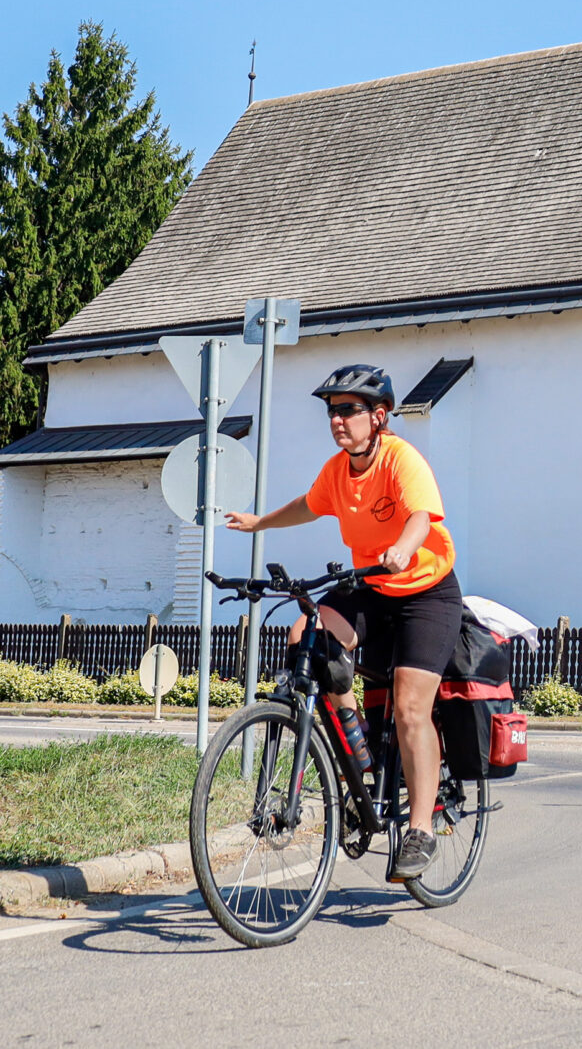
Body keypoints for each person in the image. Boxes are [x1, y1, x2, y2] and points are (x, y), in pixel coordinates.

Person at [222, 364, 462, 883]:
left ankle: (420, 827)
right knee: (304, 633)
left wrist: (402, 547)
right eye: (332, 410)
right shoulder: (337, 470)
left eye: (348, 410)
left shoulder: (402, 459)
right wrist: (259, 521)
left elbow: (422, 516)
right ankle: (358, 755)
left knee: (409, 707)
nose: (337, 419)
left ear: (378, 417)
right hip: (373, 589)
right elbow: (309, 506)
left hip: (425, 594)